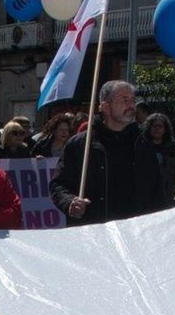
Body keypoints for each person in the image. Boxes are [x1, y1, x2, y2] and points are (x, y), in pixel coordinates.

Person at [50, 80, 161, 224]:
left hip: (136, 233)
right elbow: (58, 185)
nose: (131, 105)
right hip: (93, 232)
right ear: (105, 107)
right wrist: (70, 202)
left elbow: (158, 190)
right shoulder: (80, 145)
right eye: (124, 100)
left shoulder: (143, 144)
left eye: (133, 100)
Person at [142, 113, 175, 201]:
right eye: (154, 126)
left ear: (165, 129)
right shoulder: (141, 147)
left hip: (168, 194)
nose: (157, 129)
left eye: (160, 126)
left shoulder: (173, 149)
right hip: (147, 194)